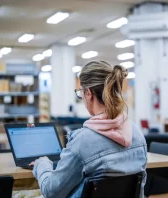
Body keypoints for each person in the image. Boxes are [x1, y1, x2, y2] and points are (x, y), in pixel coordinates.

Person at [31, 60, 147, 198]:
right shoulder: (137, 134)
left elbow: (51, 191)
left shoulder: (82, 141)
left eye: (81, 92)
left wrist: (41, 164)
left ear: (88, 93)